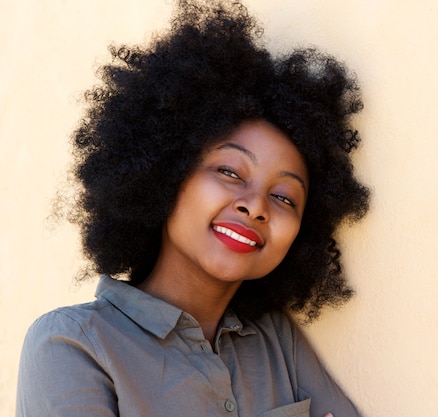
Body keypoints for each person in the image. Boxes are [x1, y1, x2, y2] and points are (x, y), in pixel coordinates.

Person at [16, 0, 369, 416]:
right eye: (230, 172)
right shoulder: (73, 344)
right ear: (167, 174)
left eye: (284, 198)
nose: (256, 206)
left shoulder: (277, 341)